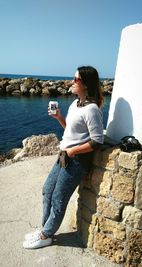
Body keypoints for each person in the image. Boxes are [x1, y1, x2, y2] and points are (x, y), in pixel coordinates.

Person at [23, 66, 104, 249]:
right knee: (47, 190)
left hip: (75, 162)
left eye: (76, 79)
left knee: (59, 197)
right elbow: (70, 131)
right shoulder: (75, 104)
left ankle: (46, 234)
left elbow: (97, 140)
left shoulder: (92, 109)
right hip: (63, 156)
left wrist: (73, 151)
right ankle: (45, 229)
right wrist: (60, 117)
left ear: (85, 84)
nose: (72, 82)